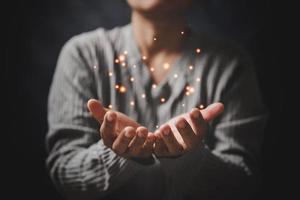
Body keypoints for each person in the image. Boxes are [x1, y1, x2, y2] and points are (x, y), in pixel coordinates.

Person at [46, 0, 267, 199]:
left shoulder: (230, 66)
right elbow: (66, 174)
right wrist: (114, 155)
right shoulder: (84, 55)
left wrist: (190, 159)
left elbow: (242, 184)